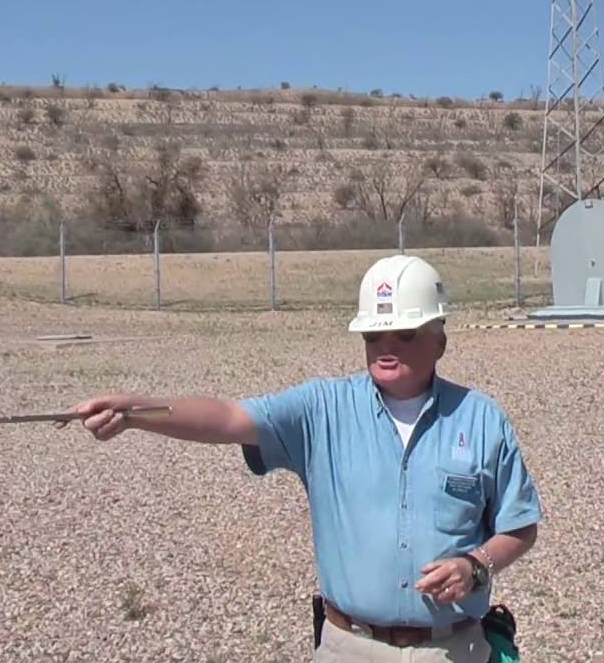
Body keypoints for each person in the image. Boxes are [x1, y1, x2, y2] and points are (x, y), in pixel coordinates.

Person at [64, 254, 543, 662]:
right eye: (374, 335)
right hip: (348, 647)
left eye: (403, 331)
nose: (386, 346)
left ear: (439, 339)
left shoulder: (481, 419)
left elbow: (520, 526)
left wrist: (476, 566)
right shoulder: (321, 410)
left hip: (453, 650)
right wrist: (134, 411)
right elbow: (230, 418)